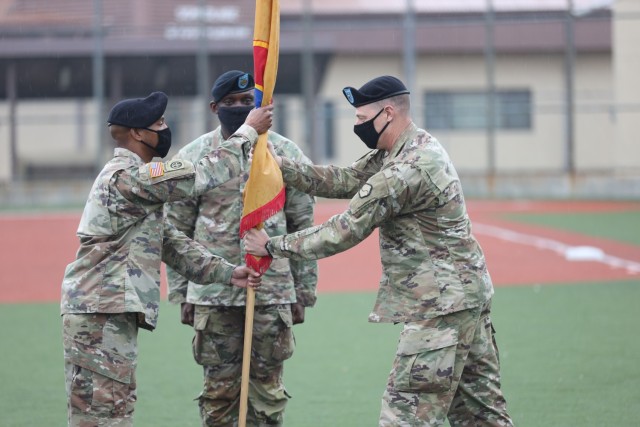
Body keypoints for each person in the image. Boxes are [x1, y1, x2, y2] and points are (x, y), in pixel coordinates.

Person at [244, 76, 514, 426]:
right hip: (463, 300)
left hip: (440, 309)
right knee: (481, 416)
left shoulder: (407, 169)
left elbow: (344, 230)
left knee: (404, 415)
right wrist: (281, 167)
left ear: (388, 112)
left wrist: (271, 246)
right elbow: (344, 180)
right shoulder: (405, 148)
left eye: (361, 118)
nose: (357, 126)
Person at [60, 91, 273, 426]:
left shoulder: (139, 181)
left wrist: (229, 273)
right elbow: (202, 174)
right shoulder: (129, 178)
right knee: (100, 414)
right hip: (99, 313)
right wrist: (247, 131)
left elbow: (171, 243)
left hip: (106, 311)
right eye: (159, 123)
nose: (166, 128)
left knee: (115, 407)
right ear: (138, 134)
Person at [164, 70, 318, 426]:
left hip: (272, 289)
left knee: (267, 393)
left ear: (260, 105)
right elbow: (176, 231)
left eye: (246, 102)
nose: (239, 108)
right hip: (212, 292)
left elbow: (302, 228)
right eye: (230, 103)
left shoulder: (284, 152)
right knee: (218, 394)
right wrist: (182, 292)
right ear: (214, 107)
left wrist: (303, 292)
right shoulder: (197, 156)